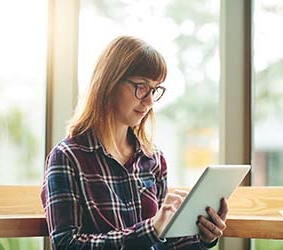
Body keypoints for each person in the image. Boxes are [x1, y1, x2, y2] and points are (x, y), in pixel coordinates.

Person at [41, 36, 228, 250]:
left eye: (155, 90)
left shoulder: (153, 158)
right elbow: (66, 245)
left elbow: (164, 241)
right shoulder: (67, 157)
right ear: (109, 82)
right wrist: (150, 231)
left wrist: (203, 237)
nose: (149, 101)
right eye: (141, 86)